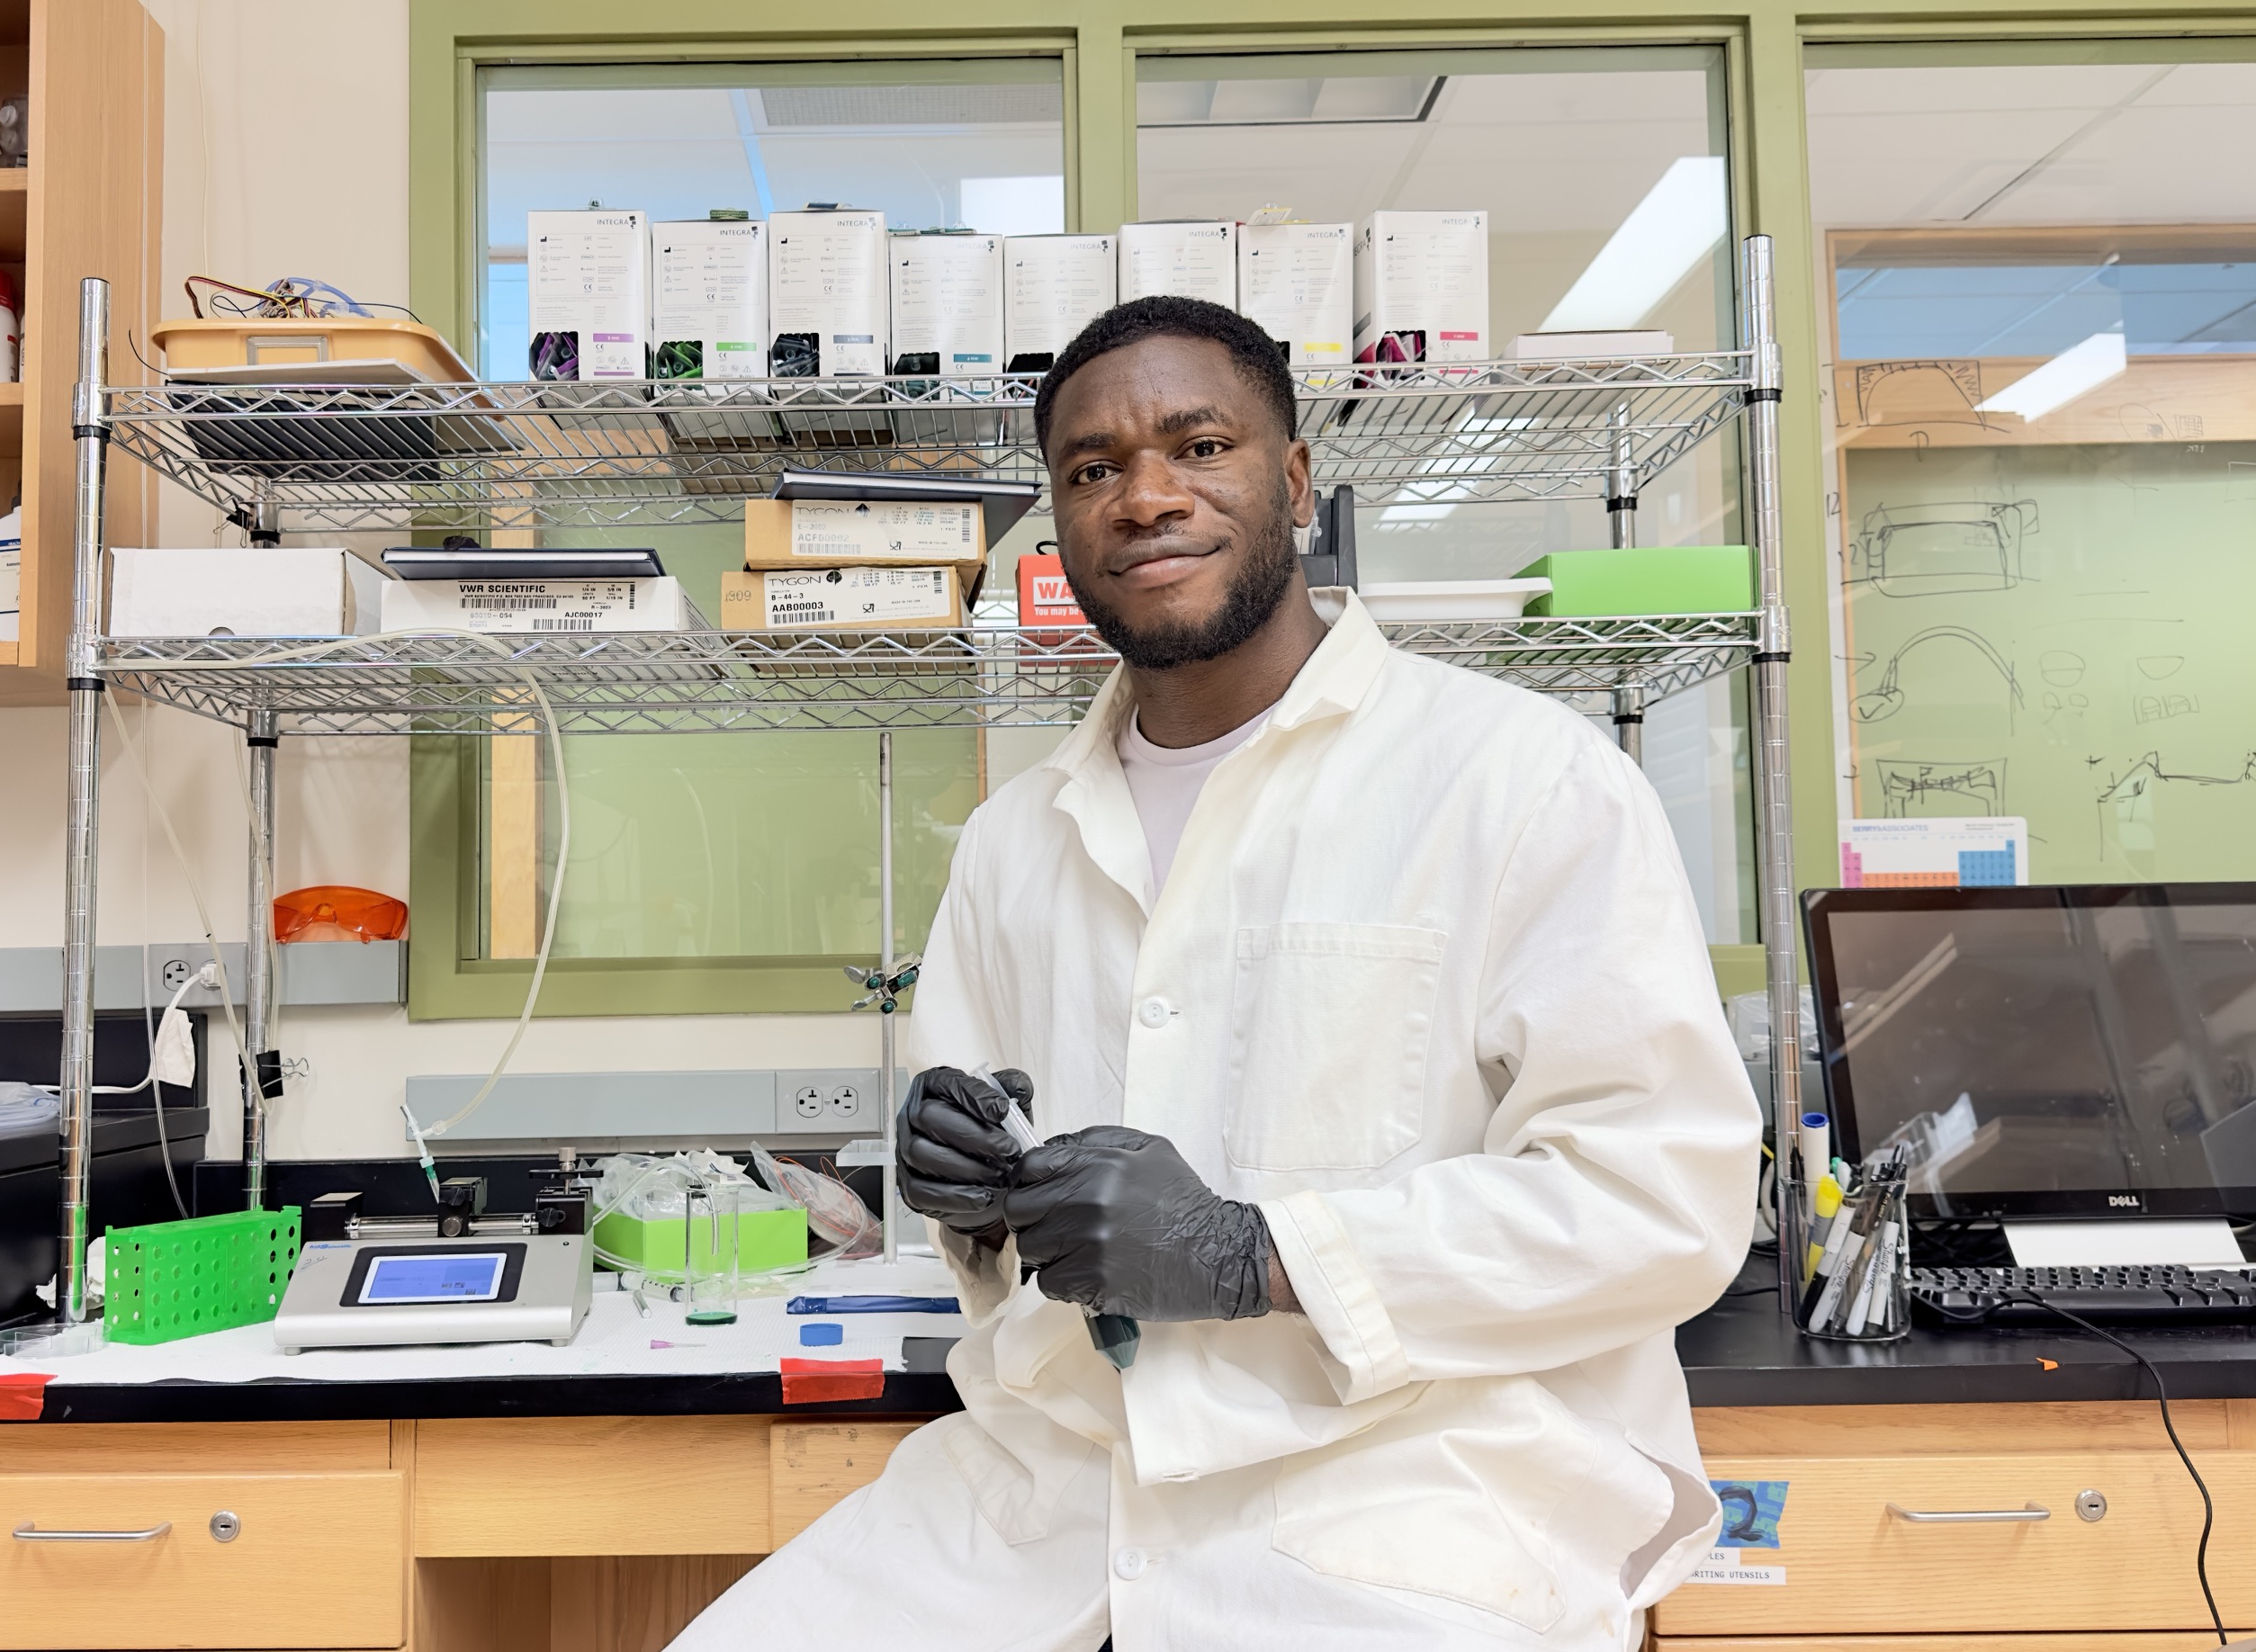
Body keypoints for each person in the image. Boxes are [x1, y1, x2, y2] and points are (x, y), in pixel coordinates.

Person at [670, 297, 1760, 1652]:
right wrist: (964, 1201)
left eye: (1198, 445)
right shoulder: (1014, 844)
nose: (1145, 496)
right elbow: (1003, 1255)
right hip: (1054, 1484)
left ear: (1293, 483)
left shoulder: (1521, 783)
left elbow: (1662, 1200)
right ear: (1061, 523)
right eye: (1092, 469)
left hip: (1408, 1492)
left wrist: (1256, 1254)